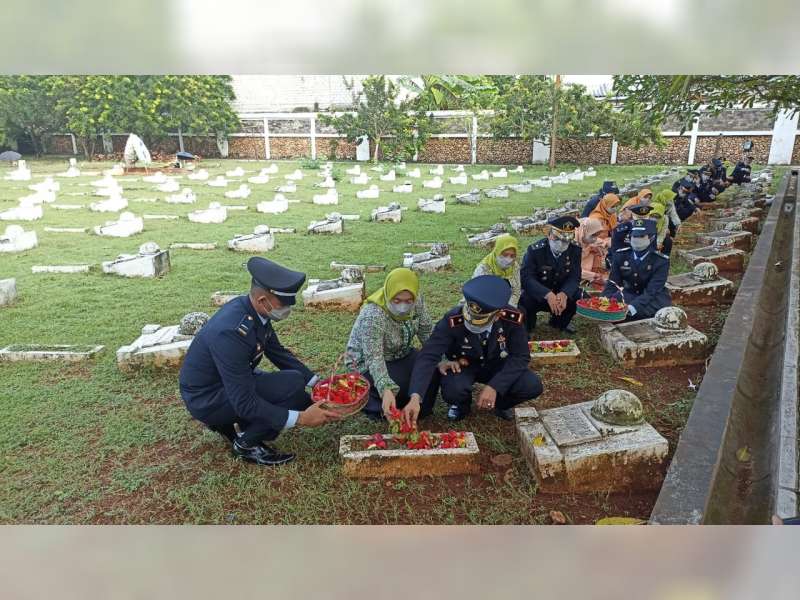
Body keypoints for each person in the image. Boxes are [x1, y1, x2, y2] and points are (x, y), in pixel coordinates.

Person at [179, 257, 341, 467]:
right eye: (283, 304)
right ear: (263, 300)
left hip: (228, 381)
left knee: (298, 389)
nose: (287, 309)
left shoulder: (252, 310)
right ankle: (245, 444)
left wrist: (320, 384)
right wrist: (302, 418)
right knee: (292, 388)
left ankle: (236, 425)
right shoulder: (231, 332)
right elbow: (245, 403)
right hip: (207, 398)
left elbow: (277, 352)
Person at [407, 275, 542, 423]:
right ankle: (462, 405)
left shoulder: (512, 318)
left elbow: (521, 356)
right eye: (470, 317)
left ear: (497, 315)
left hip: (498, 365)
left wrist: (495, 387)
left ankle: (500, 403)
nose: (472, 323)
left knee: (531, 385)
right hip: (465, 365)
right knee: (453, 390)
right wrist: (415, 396)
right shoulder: (453, 319)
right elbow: (428, 355)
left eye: (480, 321)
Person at [345, 267, 439, 422]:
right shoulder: (373, 314)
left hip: (401, 353)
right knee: (400, 386)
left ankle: (418, 408)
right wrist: (386, 389)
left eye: (408, 301)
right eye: (397, 300)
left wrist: (441, 359)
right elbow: (374, 357)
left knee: (432, 369)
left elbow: (426, 330)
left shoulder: (417, 301)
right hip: (366, 362)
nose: (403, 306)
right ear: (389, 294)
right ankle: (377, 404)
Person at [519, 215, 582, 334]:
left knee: (577, 295)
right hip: (539, 294)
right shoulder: (535, 250)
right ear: (549, 235)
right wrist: (547, 294)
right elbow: (526, 277)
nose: (562, 243)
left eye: (566, 240)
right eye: (557, 238)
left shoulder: (575, 250)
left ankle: (559, 322)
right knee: (525, 299)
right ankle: (529, 324)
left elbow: (575, 276)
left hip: (560, 294)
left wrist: (564, 293)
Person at [602, 219, 671, 321]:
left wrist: (632, 307)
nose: (636, 239)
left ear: (651, 238)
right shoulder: (621, 255)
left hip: (652, 298)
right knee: (614, 305)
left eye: (641, 236)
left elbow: (652, 290)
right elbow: (613, 282)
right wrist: (604, 299)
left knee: (654, 312)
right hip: (629, 294)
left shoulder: (660, 261)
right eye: (634, 236)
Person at [471, 233, 521, 307]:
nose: (508, 259)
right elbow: (477, 295)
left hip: (506, 303)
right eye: (505, 255)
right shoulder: (483, 269)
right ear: (497, 252)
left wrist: (510, 307)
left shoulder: (514, 266)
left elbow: (516, 291)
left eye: (512, 256)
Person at [575, 217, 608, 287]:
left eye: (597, 235)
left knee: (597, 250)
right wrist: (594, 276)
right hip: (575, 271)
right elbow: (573, 270)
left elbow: (602, 242)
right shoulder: (572, 244)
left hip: (584, 269)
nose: (595, 238)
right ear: (583, 231)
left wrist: (605, 245)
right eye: (593, 235)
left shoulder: (585, 237)